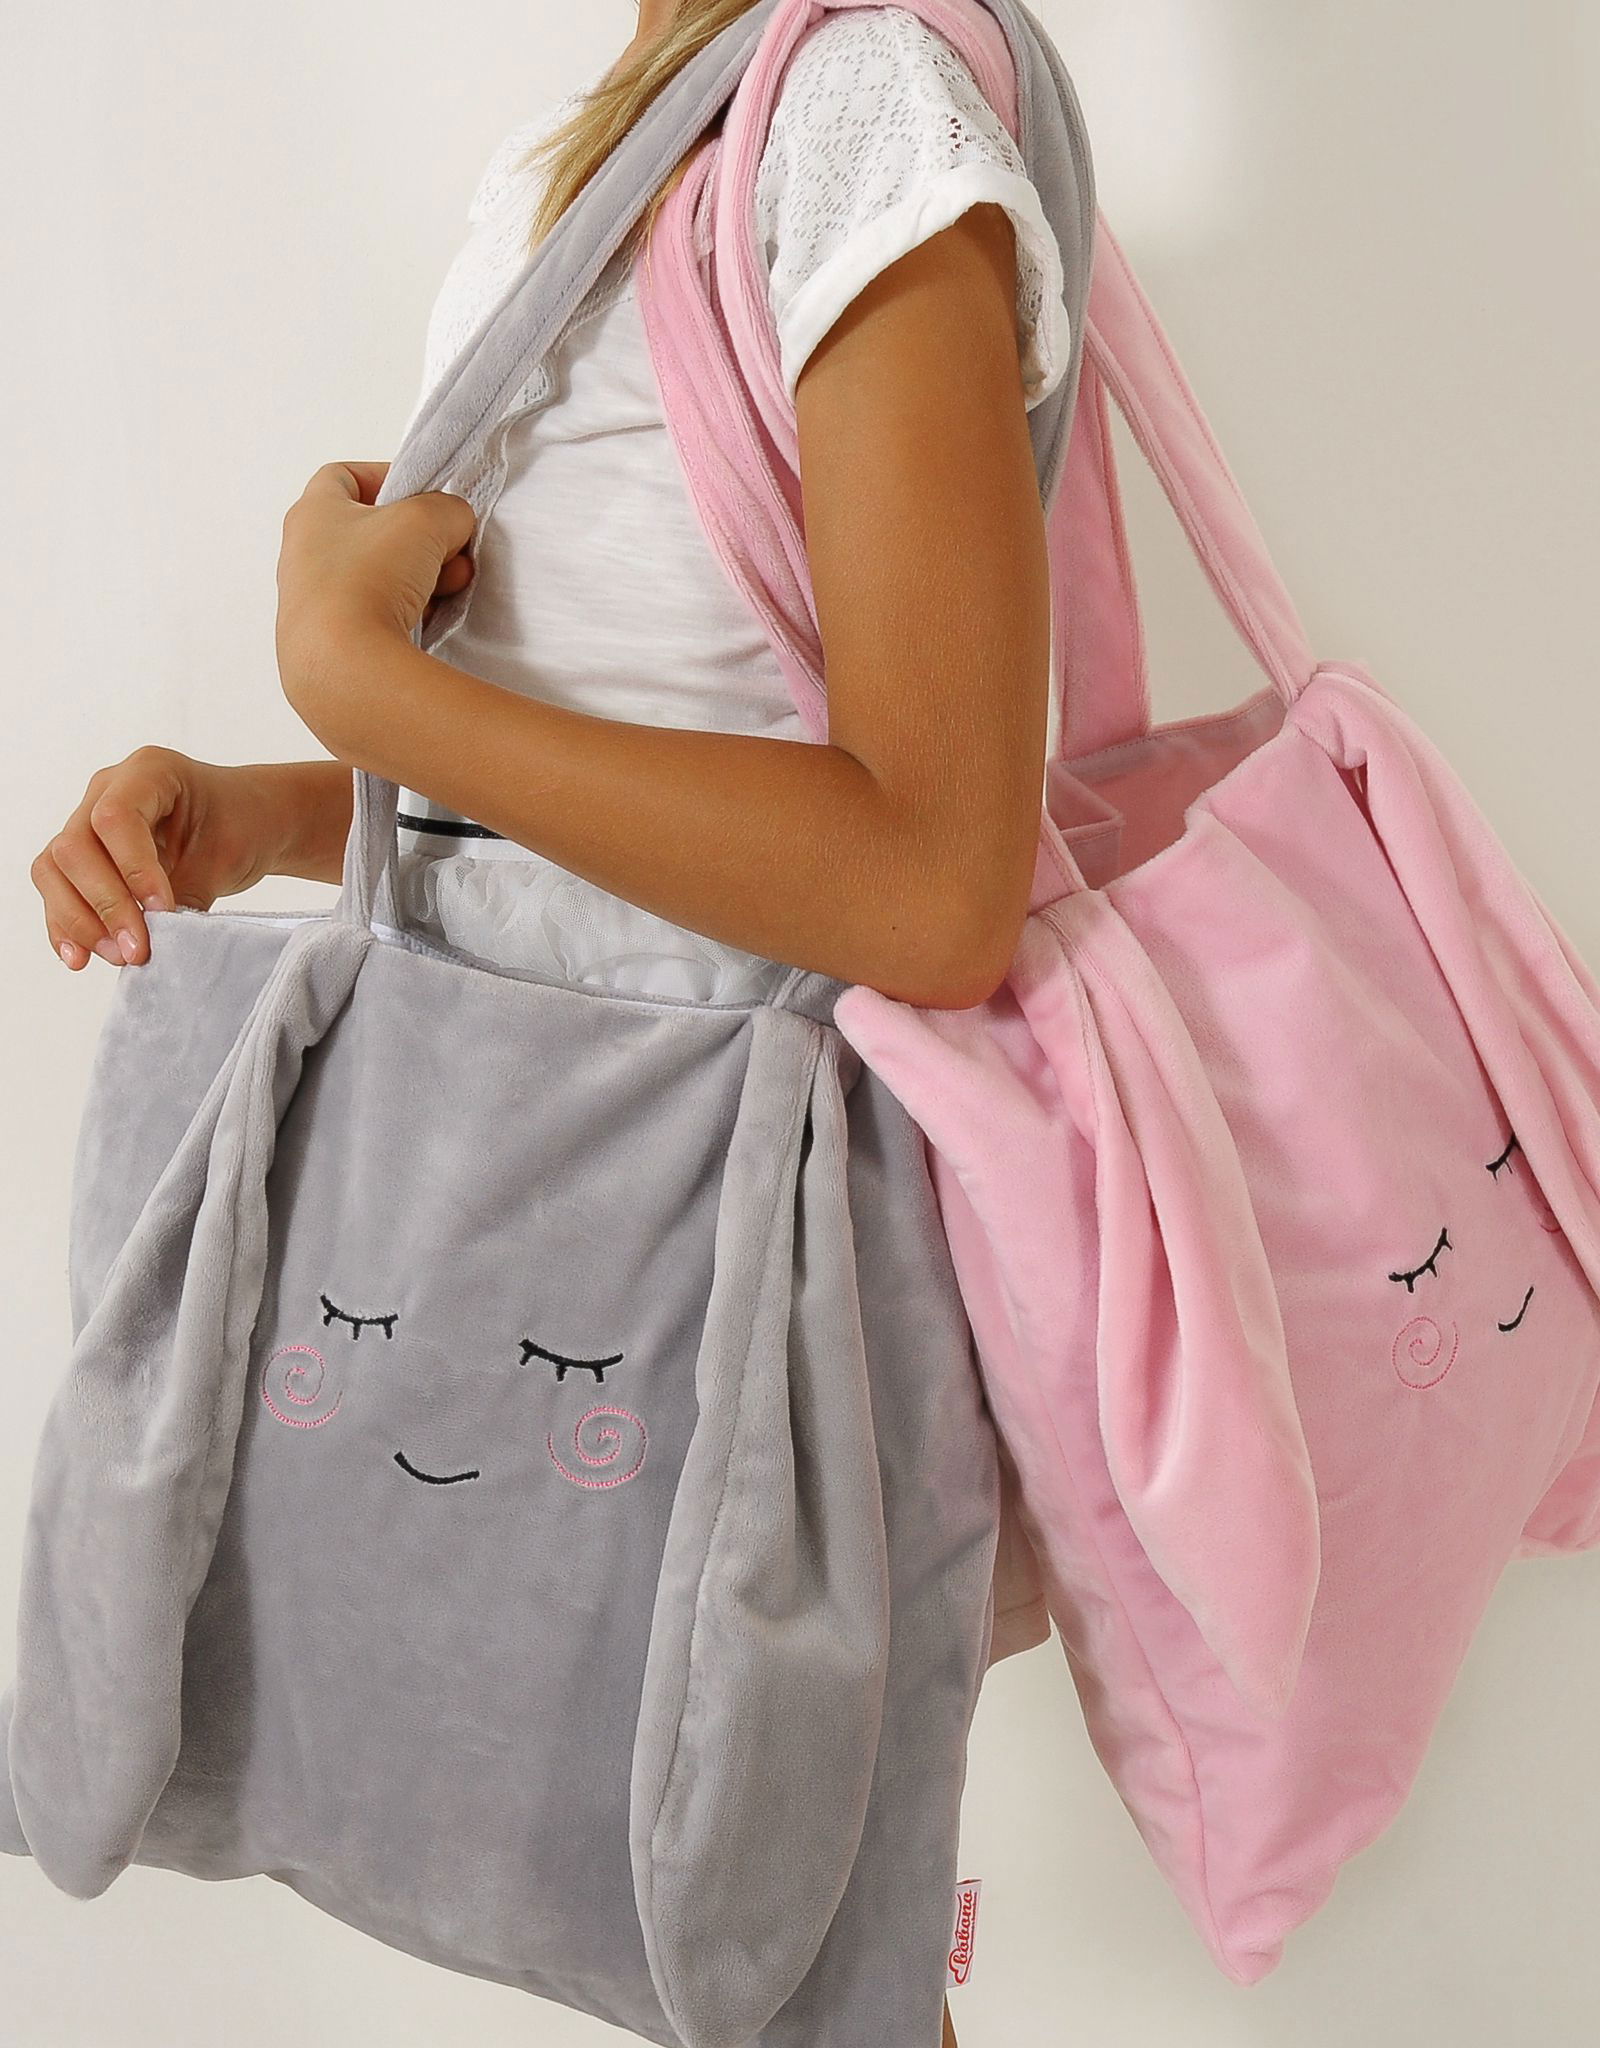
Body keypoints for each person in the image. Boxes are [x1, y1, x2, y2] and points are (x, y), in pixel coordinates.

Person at [29, 3, 1077, 2038]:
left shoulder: (854, 111)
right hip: (566, 1196)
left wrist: (363, 679)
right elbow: (631, 759)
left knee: (767, 1930)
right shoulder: (588, 155)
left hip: (715, 1227)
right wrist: (281, 809)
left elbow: (930, 885)